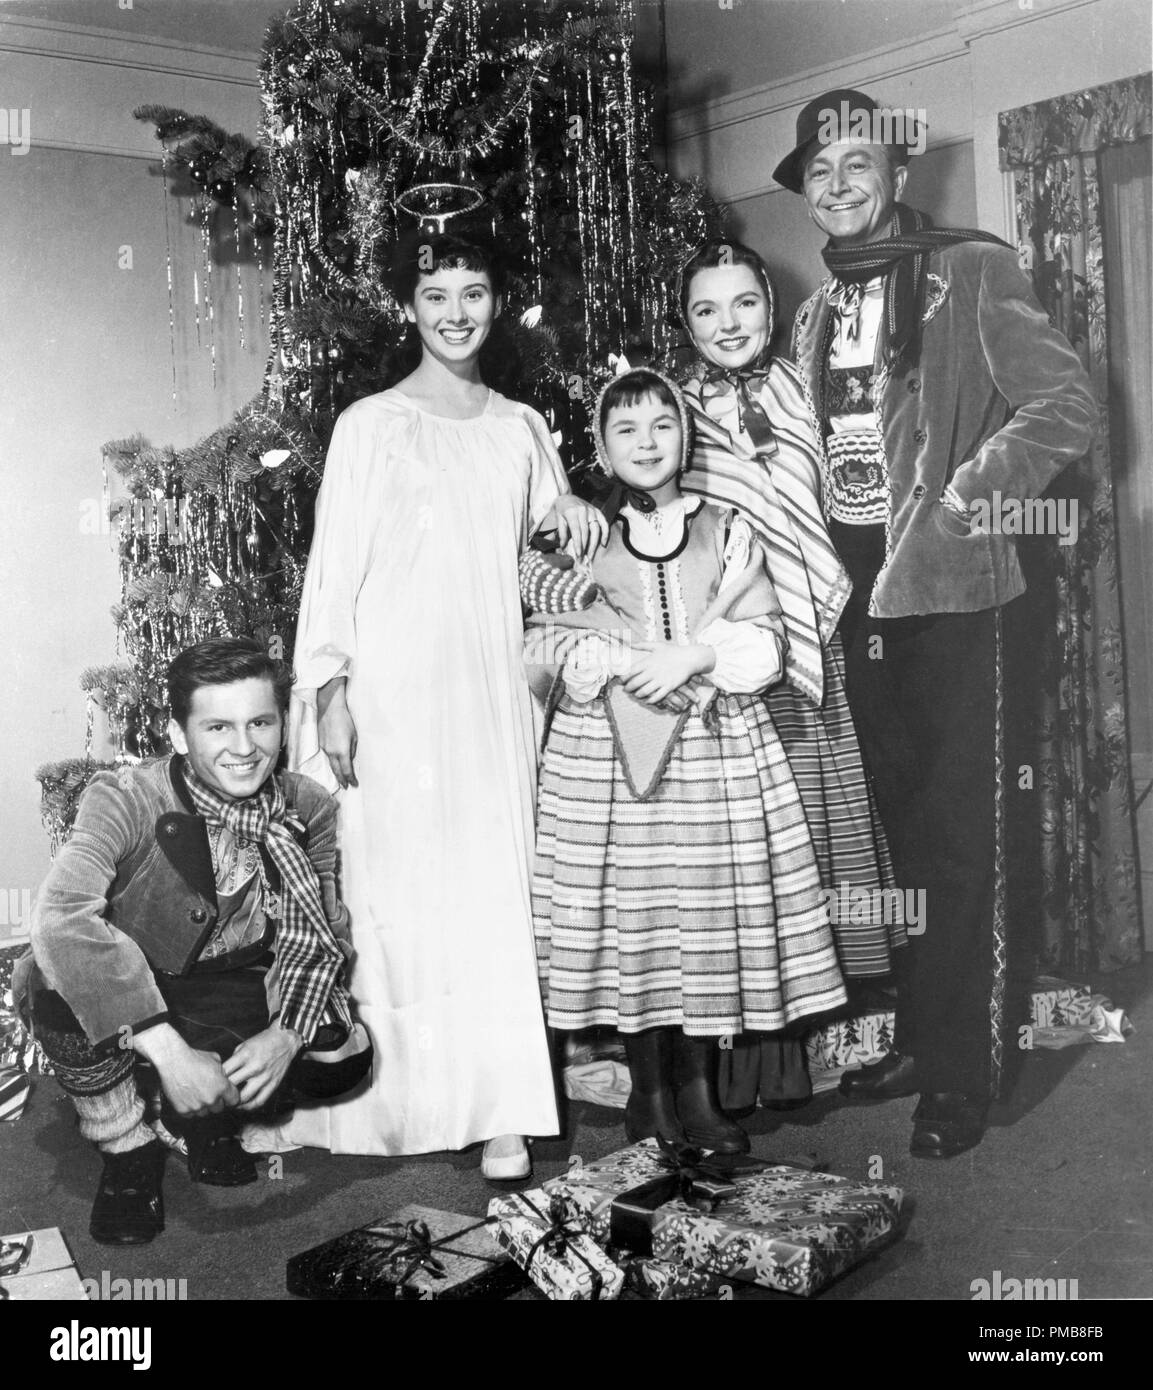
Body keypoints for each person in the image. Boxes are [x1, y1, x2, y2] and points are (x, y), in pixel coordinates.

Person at [774, 88, 1097, 1157]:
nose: (836, 186)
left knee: (962, 841)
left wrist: (967, 492)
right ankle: (932, 1029)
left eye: (855, 164)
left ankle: (964, 1076)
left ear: (895, 174)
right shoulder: (816, 312)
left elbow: (1066, 405)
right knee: (901, 842)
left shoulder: (973, 267)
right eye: (817, 174)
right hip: (856, 601)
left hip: (956, 594)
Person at [285, 231, 605, 1176]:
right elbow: (333, 570)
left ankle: (501, 1108)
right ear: (407, 305)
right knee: (394, 888)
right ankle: (389, 1095)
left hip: (492, 688)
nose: (456, 312)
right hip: (389, 689)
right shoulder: (369, 424)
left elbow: (557, 558)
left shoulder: (520, 426)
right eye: (436, 294)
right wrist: (331, 692)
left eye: (474, 292)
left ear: (497, 303)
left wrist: (579, 510)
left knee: (489, 889)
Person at [527, 367, 847, 1156]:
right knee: (636, 914)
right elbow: (540, 633)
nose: (646, 443)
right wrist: (606, 655)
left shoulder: (724, 524)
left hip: (714, 744)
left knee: (701, 912)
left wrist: (695, 654)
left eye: (661, 426)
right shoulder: (578, 534)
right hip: (605, 751)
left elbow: (765, 639)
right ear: (600, 445)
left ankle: (699, 1088)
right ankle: (647, 1091)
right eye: (625, 430)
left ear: (685, 436)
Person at [15, 638, 370, 1245]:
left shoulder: (307, 805)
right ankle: (129, 1151)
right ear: (179, 735)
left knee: (341, 1056)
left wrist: (288, 1034)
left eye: (260, 722)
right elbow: (59, 917)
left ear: (283, 724)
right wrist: (169, 1051)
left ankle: (203, 1120)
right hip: (141, 991)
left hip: (234, 983)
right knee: (45, 981)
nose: (243, 747)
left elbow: (325, 927)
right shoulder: (125, 797)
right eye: (217, 726)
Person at [676, 238, 903, 1115]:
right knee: (767, 830)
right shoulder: (674, 407)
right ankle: (773, 1019)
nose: (726, 324)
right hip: (736, 644)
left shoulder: (803, 385)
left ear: (769, 312)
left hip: (824, 631)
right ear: (687, 323)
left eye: (742, 305)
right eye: (706, 309)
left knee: (837, 807)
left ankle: (853, 1002)